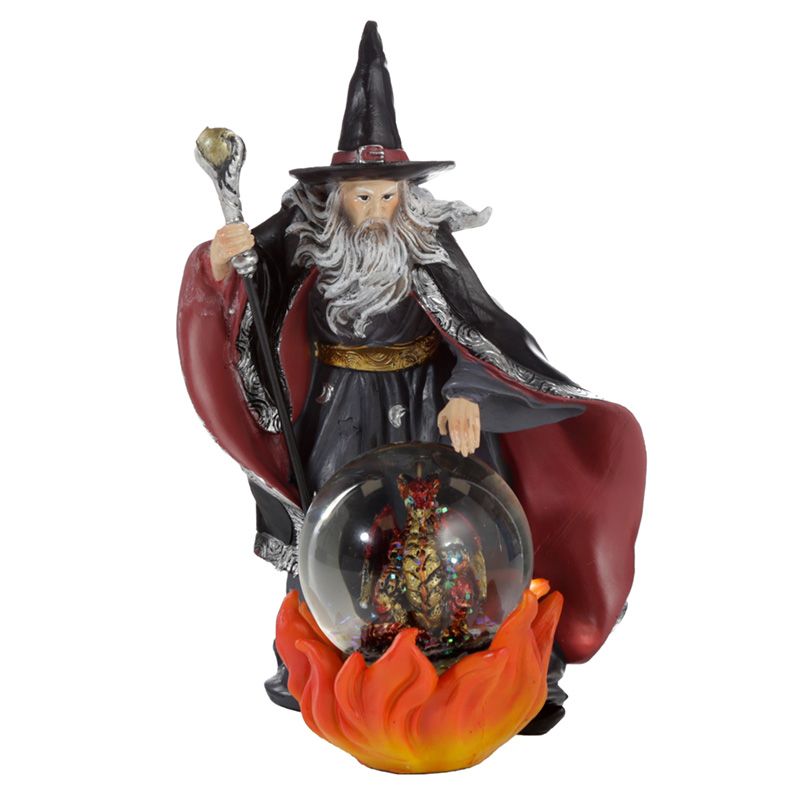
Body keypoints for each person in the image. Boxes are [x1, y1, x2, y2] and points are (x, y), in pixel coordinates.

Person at [178, 21, 646, 734]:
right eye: (361, 198)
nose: (375, 213)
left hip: (429, 402)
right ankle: (318, 650)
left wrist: (468, 393)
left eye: (387, 197)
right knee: (330, 518)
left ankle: (484, 655)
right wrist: (221, 260)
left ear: (408, 196)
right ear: (336, 198)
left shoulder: (427, 248)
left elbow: (483, 329)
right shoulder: (305, 240)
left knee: (458, 523)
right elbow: (243, 288)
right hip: (339, 409)